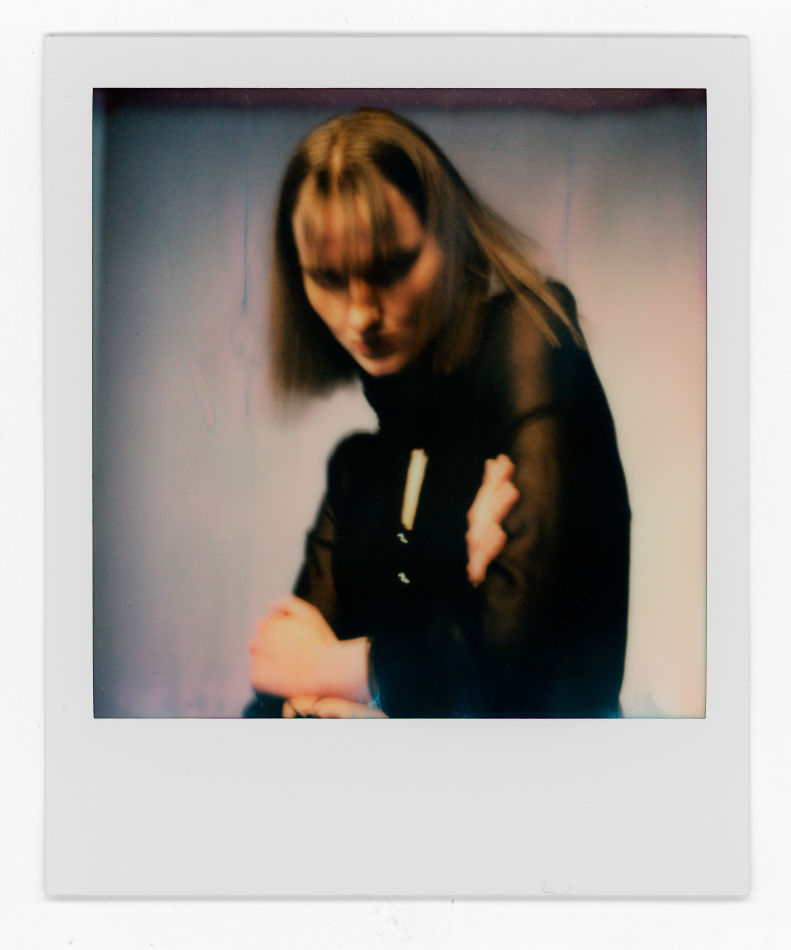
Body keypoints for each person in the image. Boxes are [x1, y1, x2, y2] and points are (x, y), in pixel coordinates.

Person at [245, 109, 631, 718]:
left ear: (450, 238)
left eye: (392, 266)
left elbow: (523, 658)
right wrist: (465, 597)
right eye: (328, 278)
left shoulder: (531, 334)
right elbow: (273, 680)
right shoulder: (358, 471)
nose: (361, 315)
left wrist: (338, 671)